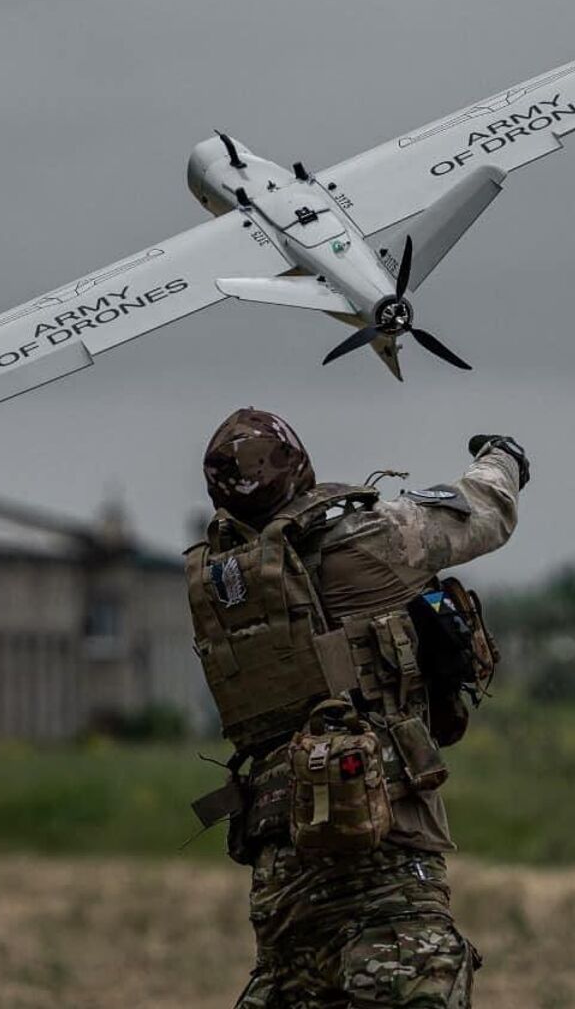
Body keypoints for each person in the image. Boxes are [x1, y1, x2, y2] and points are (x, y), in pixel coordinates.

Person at [183, 409, 528, 1009]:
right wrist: (504, 457)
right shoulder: (370, 539)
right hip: (384, 860)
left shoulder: (222, 586)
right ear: (297, 467)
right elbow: (485, 512)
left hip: (281, 877)